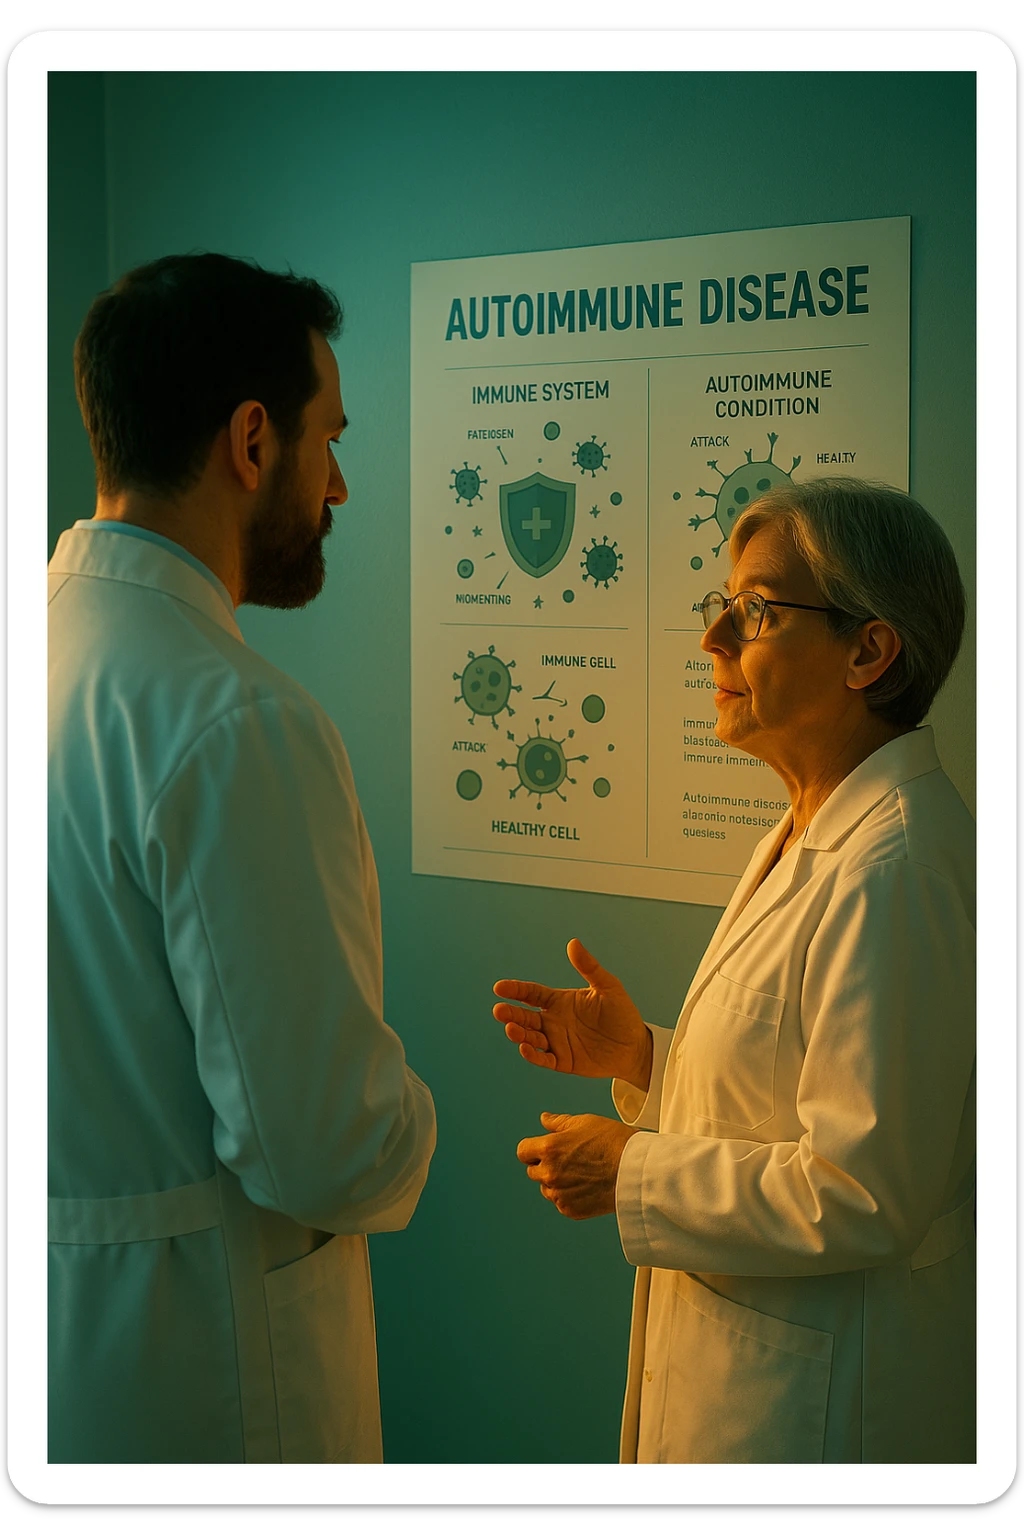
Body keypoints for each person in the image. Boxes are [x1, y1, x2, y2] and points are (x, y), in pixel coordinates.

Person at [494, 478, 975, 1464]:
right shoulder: (815, 829)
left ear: (867, 653)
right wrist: (647, 1057)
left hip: (820, 1410)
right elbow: (799, 1087)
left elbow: (864, 1192)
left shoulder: (894, 872)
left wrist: (633, 1167)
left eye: (755, 612)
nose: (713, 640)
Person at [48, 253, 436, 1464]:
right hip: (212, 1387)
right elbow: (319, 1148)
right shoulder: (233, 720)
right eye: (330, 439)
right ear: (253, 441)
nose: (342, 484)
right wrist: (417, 1124)